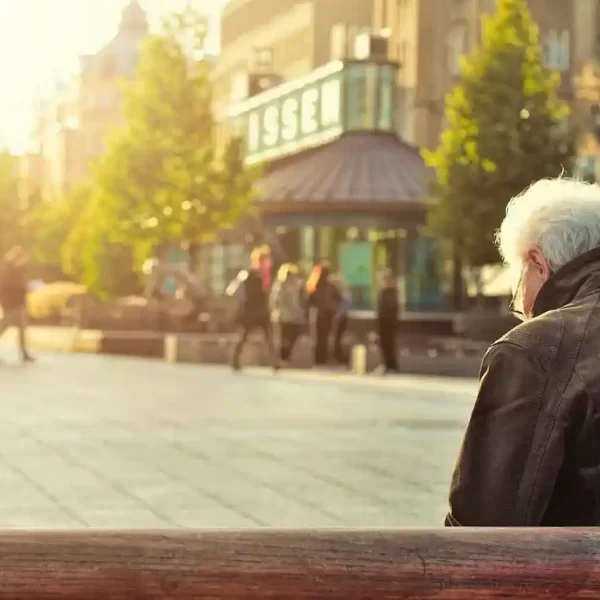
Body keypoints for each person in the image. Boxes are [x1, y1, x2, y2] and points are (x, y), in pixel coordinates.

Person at [446, 177, 600, 527]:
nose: (523, 308)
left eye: (519, 283)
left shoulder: (535, 351)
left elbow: (482, 526)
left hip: (572, 578)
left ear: (539, 264)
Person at [227, 245, 277, 371]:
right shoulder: (248, 274)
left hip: (262, 311)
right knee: (243, 336)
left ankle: (275, 362)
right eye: (266, 260)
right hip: (250, 311)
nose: (268, 262)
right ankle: (235, 361)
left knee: (269, 337)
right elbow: (238, 291)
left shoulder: (267, 275)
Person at [0, 246, 34, 363]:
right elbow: (5, 289)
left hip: (18, 304)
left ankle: (24, 353)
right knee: (4, 327)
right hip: (12, 305)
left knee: (21, 328)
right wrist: (8, 304)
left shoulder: (18, 271)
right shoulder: (9, 271)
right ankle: (24, 353)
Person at [270, 263, 307, 366]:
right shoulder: (280, 286)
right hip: (282, 316)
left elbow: (302, 298)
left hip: (295, 316)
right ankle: (281, 359)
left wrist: (301, 311)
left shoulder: (298, 285)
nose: (292, 277)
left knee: (293, 336)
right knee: (283, 338)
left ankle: (285, 357)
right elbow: (275, 300)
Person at [307, 262, 341, 366]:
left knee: (319, 337)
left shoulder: (314, 285)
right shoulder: (330, 286)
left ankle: (319, 358)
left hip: (320, 314)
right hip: (327, 314)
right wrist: (333, 307)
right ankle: (323, 358)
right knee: (324, 337)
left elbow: (310, 300)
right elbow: (339, 298)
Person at [377, 269, 399, 373]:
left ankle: (390, 365)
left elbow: (392, 309)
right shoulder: (383, 292)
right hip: (383, 322)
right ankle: (387, 364)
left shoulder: (391, 293)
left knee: (389, 344)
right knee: (384, 344)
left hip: (389, 322)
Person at [331, 275, 351, 365]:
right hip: (341, 318)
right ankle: (338, 354)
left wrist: (337, 315)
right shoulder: (342, 295)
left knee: (338, 338)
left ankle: (339, 355)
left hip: (342, 318)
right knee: (337, 338)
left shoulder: (344, 296)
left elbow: (343, 308)